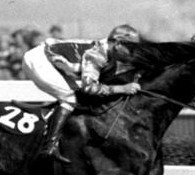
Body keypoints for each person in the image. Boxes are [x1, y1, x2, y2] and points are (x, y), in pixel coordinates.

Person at [22, 23, 142, 163]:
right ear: (117, 43)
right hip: (38, 60)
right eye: (130, 47)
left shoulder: (108, 52)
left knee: (76, 96)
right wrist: (122, 89)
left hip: (50, 59)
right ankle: (49, 147)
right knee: (70, 98)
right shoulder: (97, 55)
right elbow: (89, 88)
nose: (132, 52)